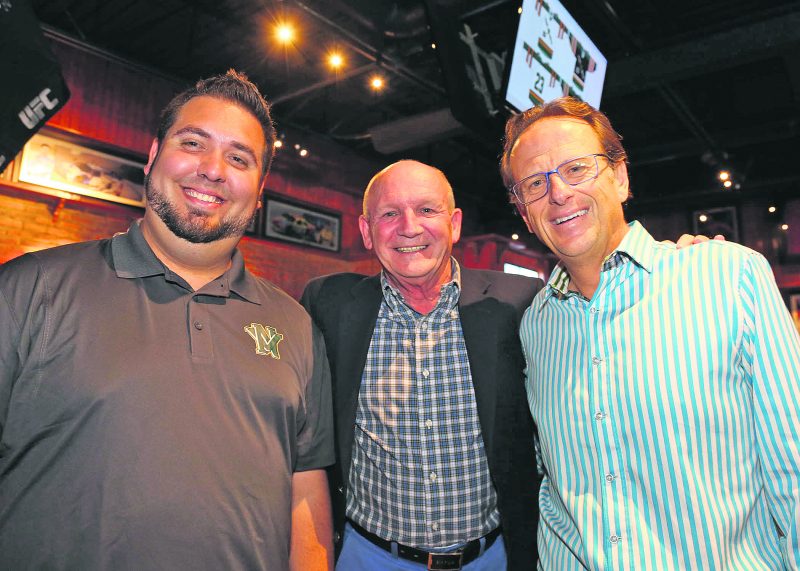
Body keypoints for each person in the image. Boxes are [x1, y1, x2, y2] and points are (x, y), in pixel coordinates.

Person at [0, 70, 334, 570]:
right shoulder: (30, 290)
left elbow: (305, 491)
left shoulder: (297, 326)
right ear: (154, 155)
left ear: (259, 190)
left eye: (239, 158)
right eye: (194, 142)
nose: (213, 170)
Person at [501, 96, 800, 569]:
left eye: (576, 168)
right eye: (535, 184)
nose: (558, 193)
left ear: (619, 177)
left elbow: (794, 465)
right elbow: (550, 484)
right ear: (523, 211)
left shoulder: (728, 276)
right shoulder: (535, 325)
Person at [301, 160, 542, 570]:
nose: (409, 227)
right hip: (368, 556)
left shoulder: (519, 303)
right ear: (366, 230)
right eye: (390, 213)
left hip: (492, 558)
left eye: (427, 210)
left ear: (454, 223)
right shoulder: (329, 304)